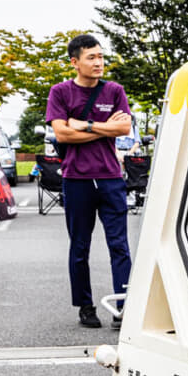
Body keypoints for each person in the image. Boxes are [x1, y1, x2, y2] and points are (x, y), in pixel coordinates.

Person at [46, 33, 134, 329]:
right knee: (79, 247)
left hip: (110, 178)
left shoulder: (114, 90)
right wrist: (106, 128)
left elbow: (125, 129)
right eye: (91, 57)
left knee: (119, 245)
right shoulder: (60, 93)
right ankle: (85, 306)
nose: (99, 62)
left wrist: (85, 124)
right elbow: (61, 134)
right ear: (75, 62)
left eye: (100, 56)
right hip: (77, 180)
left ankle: (124, 306)